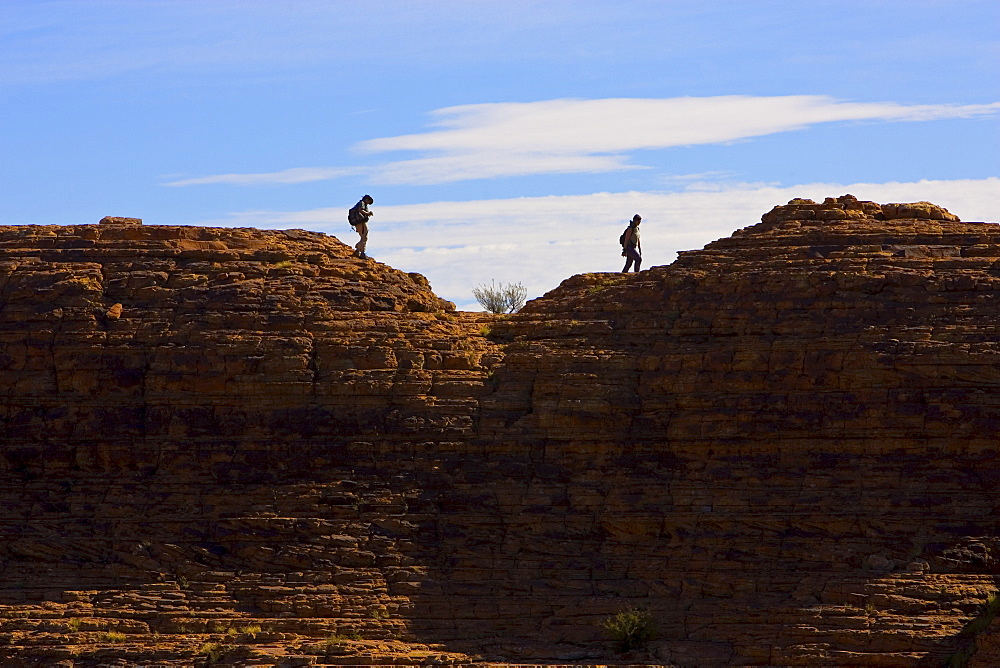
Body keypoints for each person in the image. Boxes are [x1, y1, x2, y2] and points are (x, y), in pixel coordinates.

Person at [348, 194, 374, 259]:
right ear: (367, 199)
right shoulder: (362, 203)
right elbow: (360, 210)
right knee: (364, 237)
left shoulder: (360, 203)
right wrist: (368, 213)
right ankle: (362, 252)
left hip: (359, 223)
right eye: (368, 202)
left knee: (364, 237)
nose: (368, 204)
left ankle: (358, 250)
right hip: (360, 223)